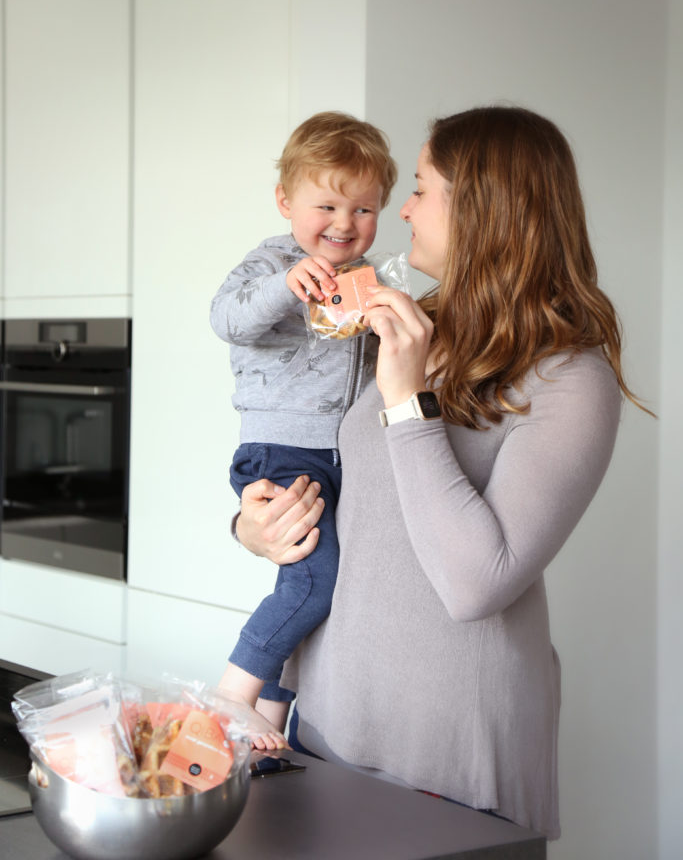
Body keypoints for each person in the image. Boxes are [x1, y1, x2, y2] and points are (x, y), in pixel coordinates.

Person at [227, 105, 651, 839]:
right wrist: (253, 525)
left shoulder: (567, 376)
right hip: (328, 720)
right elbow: (353, 496)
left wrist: (405, 399)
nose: (405, 210)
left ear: (482, 209)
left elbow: (476, 582)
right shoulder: (410, 326)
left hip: (448, 749)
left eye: (420, 188)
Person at [210, 111, 397, 749]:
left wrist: (387, 325)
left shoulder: (368, 278)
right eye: (327, 206)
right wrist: (284, 287)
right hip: (284, 447)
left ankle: (269, 707)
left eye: (364, 210)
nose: (345, 225)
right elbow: (227, 318)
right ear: (286, 201)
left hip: (338, 453)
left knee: (325, 579)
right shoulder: (272, 262)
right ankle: (234, 692)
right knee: (312, 580)